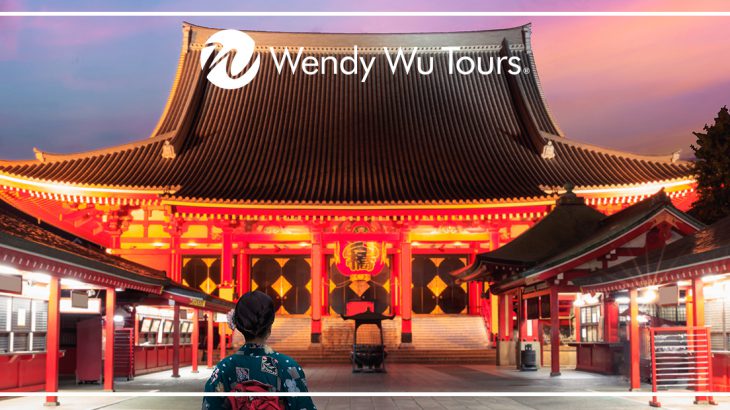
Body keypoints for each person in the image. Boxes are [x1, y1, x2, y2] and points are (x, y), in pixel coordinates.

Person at [203, 291, 316, 410]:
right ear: (270, 325)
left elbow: (210, 405)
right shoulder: (287, 367)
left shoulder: (224, 368)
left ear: (239, 324)